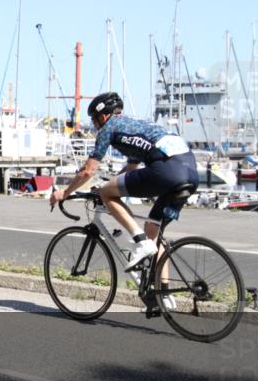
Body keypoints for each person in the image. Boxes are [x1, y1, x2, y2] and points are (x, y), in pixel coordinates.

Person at [50, 92, 199, 276]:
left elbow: (88, 170)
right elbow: (131, 168)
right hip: (190, 172)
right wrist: (107, 184)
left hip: (168, 170)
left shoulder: (109, 128)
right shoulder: (135, 125)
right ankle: (163, 299)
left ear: (103, 116)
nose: (95, 126)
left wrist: (64, 193)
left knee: (107, 194)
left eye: (95, 121)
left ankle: (140, 242)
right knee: (154, 231)